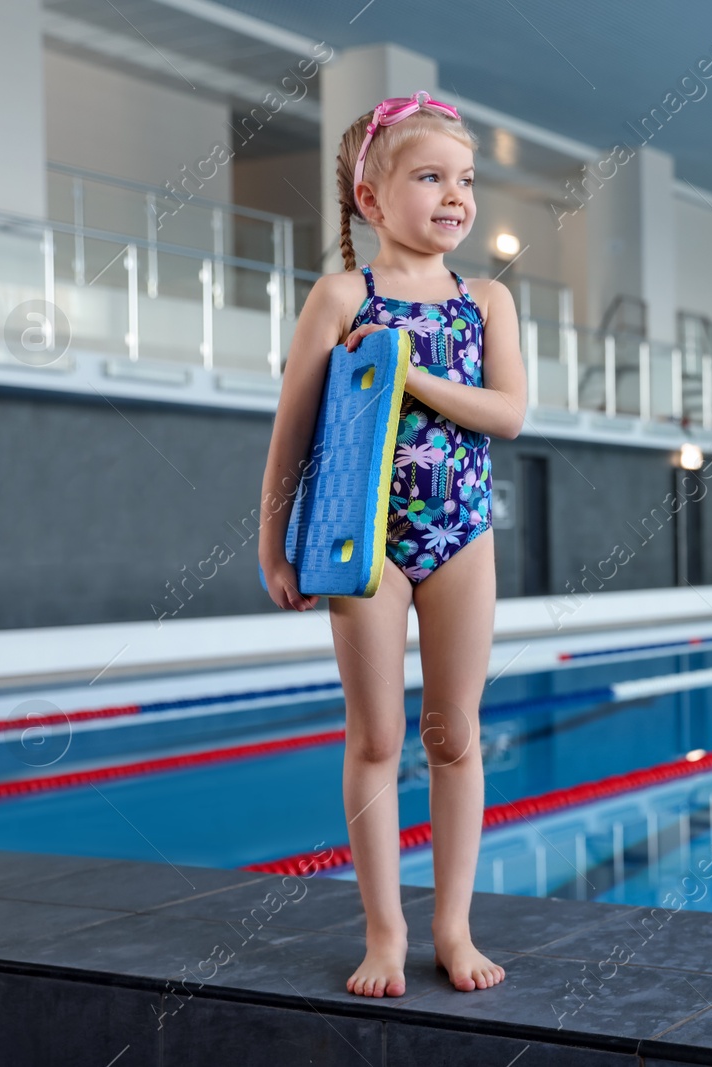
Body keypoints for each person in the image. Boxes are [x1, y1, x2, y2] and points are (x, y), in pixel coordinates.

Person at [258, 91, 526, 998]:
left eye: (465, 179)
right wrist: (273, 539)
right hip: (355, 538)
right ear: (372, 200)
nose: (455, 195)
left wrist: (407, 372)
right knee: (375, 735)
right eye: (430, 177)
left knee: (454, 736)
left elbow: (510, 413)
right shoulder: (342, 295)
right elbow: (292, 427)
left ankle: (452, 926)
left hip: (461, 537)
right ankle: (385, 931)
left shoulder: (486, 300)